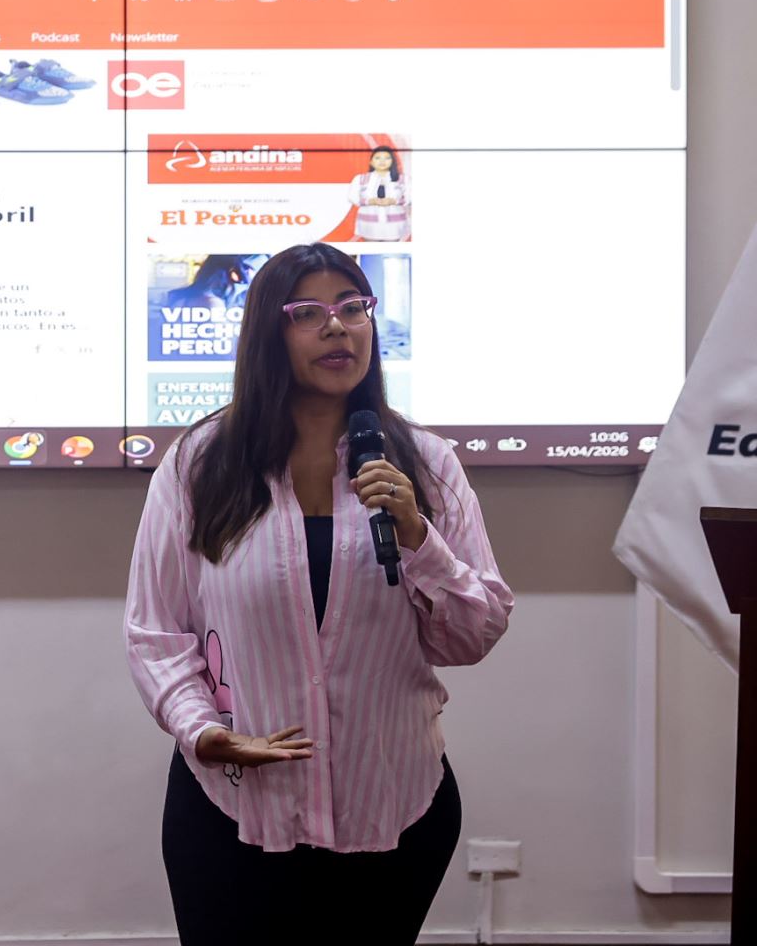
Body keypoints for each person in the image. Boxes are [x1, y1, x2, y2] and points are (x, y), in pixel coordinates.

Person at [124, 242, 512, 944]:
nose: (339, 327)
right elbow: (157, 634)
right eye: (309, 312)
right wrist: (205, 733)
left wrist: (420, 538)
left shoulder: (426, 463)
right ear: (268, 337)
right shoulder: (198, 465)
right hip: (234, 813)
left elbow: (472, 635)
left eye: (353, 307)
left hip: (391, 808)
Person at [349, 145, 411, 242]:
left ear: (392, 161)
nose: (382, 161)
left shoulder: (403, 179)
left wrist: (394, 201)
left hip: (394, 225)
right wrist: (369, 201)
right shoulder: (361, 179)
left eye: (387, 158)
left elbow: (410, 197)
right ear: (371, 161)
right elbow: (352, 197)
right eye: (378, 158)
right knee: (371, 252)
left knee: (391, 253)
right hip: (369, 224)